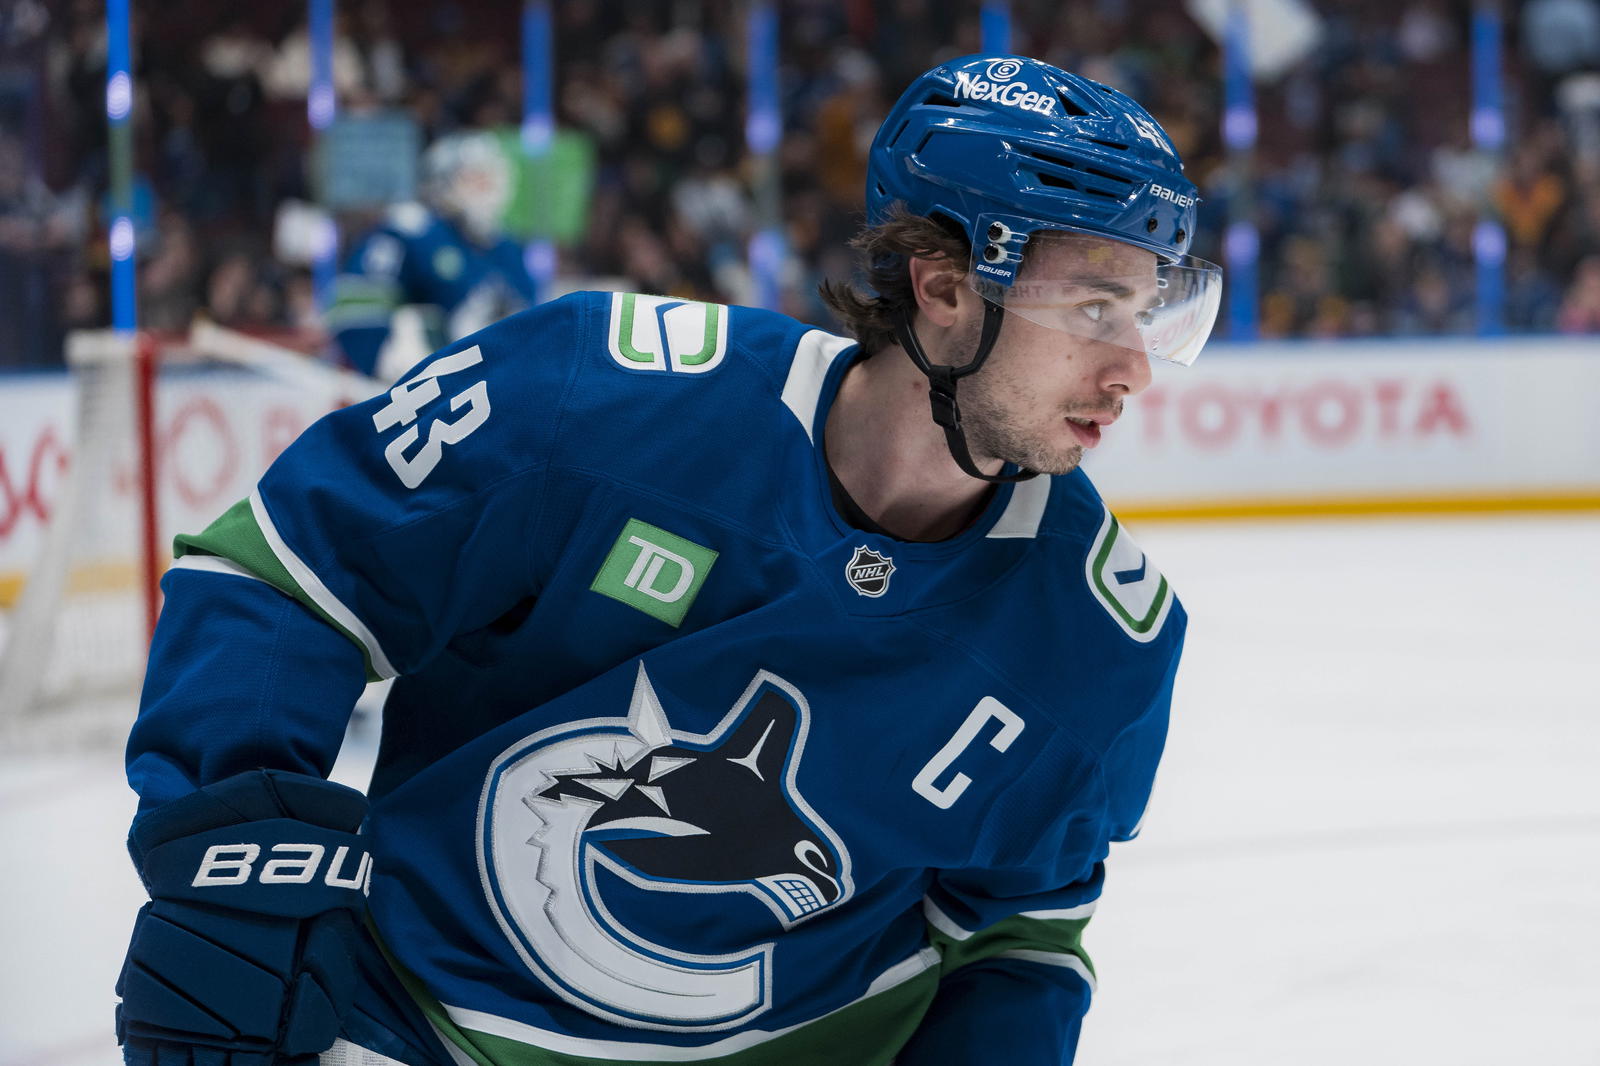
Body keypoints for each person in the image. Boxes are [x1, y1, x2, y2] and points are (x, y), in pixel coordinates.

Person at [114, 54, 1221, 1066]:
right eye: (1091, 306)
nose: (1133, 368)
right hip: (417, 1025)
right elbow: (291, 573)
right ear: (939, 286)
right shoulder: (588, 395)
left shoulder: (1102, 645)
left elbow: (1013, 940)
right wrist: (234, 875)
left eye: (1148, 312)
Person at [328, 129, 538, 381]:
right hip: (418, 394)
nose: (487, 190)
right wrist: (386, 360)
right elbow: (356, 314)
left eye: (492, 178)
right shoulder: (410, 232)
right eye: (475, 178)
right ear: (443, 180)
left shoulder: (507, 248)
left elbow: (532, 326)